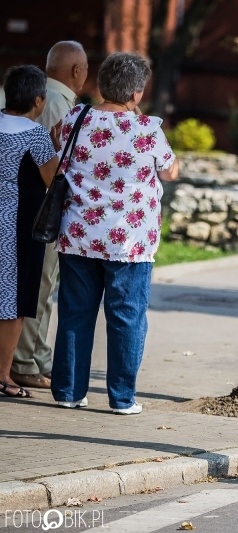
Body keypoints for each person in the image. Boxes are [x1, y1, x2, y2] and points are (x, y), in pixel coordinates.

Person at [50, 52, 179, 414]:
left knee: (75, 313)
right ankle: (122, 398)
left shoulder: (76, 117)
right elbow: (170, 172)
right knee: (126, 317)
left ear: (101, 85)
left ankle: (68, 392)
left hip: (78, 233)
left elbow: (58, 149)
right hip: (129, 242)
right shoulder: (147, 129)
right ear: (136, 93)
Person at [11, 41, 89, 392]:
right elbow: (51, 170)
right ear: (76, 71)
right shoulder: (58, 105)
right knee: (37, 287)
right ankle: (25, 361)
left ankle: (32, 357)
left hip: (20, 210)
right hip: (39, 213)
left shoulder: (44, 97)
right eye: (86, 68)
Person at [0, 65, 60, 398]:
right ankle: (4, 375)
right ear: (38, 100)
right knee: (13, 301)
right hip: (16, 226)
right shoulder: (35, 135)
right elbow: (52, 180)